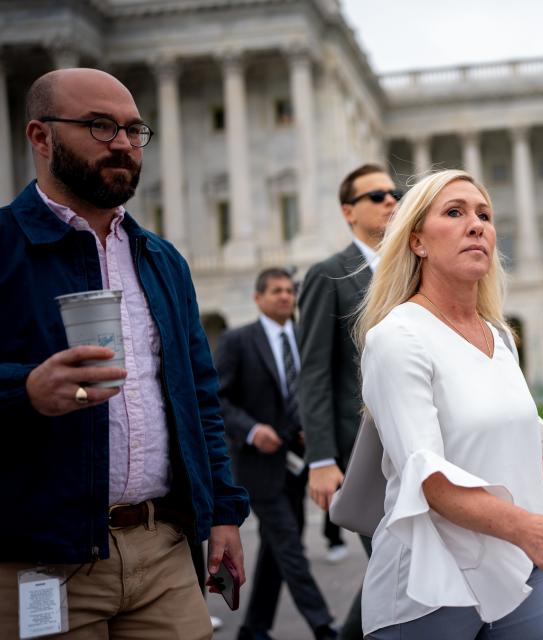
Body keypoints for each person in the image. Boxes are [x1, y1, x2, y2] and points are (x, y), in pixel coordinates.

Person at [0, 68, 249, 639]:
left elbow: (199, 398)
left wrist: (226, 511)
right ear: (42, 138)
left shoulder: (162, 259)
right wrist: (25, 390)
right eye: (100, 126)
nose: (122, 144)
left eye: (135, 131)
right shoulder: (4, 248)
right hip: (40, 557)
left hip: (161, 546)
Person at [353, 169, 543, 639]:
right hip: (429, 585)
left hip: (516, 570)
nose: (477, 225)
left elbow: (529, 454)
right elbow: (431, 481)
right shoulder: (397, 337)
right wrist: (536, 532)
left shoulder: (500, 336)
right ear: (417, 241)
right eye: (455, 212)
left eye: (484, 214)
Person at [297, 164, 400, 637]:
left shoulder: (411, 270)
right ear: (348, 211)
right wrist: (320, 458)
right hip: (361, 451)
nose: (390, 200)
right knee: (397, 563)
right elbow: (314, 370)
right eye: (376, 195)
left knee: (400, 564)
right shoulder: (329, 275)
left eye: (394, 192)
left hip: (417, 443)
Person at [216, 268, 338, 640]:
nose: (285, 296)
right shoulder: (238, 340)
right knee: (289, 545)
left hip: (297, 464)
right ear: (258, 298)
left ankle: (254, 628)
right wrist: (252, 430)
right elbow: (218, 398)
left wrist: (310, 428)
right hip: (257, 467)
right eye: (276, 291)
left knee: (277, 548)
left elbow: (313, 392)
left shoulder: (304, 338)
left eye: (289, 290)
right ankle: (325, 626)